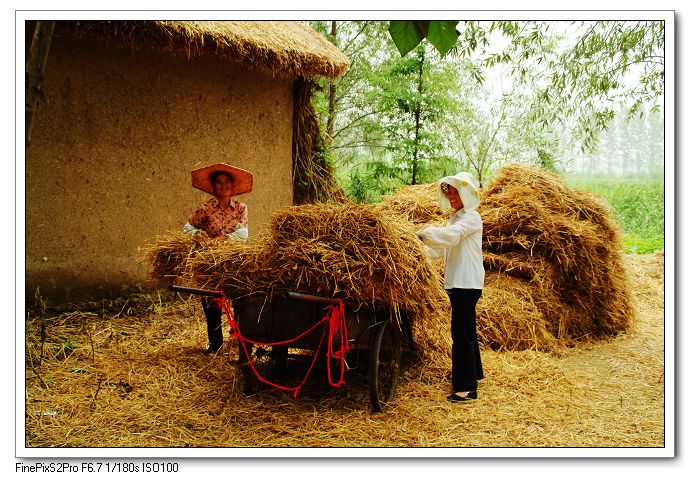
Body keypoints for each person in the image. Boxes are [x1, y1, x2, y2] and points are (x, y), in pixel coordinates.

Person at [416, 172, 484, 402]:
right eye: (449, 193)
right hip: (459, 282)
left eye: (455, 192)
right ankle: (474, 374)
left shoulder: (471, 217)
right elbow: (442, 248)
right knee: (468, 330)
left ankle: (466, 389)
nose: (452, 196)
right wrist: (418, 252)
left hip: (466, 282)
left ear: (466, 193)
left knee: (461, 334)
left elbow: (450, 237)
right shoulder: (456, 219)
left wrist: (425, 235)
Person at [183, 163, 253, 354]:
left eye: (227, 182)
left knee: (240, 300)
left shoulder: (240, 208)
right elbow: (187, 229)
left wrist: (223, 240)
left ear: (232, 186)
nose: (223, 185)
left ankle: (240, 340)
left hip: (234, 260)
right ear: (213, 187)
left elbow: (243, 235)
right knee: (211, 302)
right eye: (219, 182)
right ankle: (215, 345)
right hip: (210, 261)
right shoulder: (205, 208)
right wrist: (203, 239)